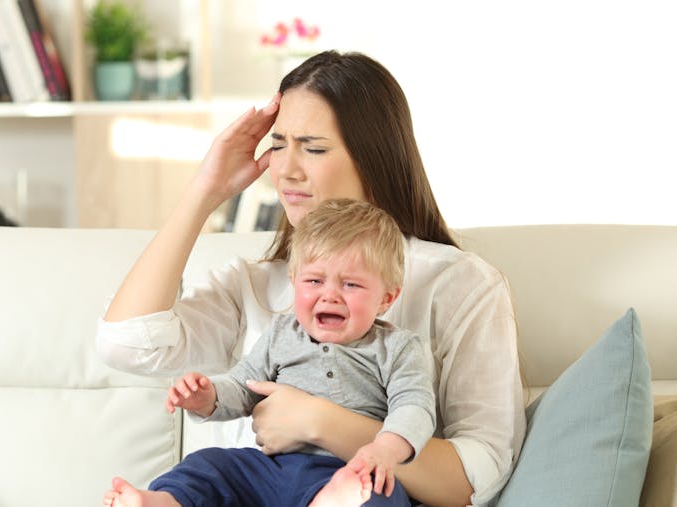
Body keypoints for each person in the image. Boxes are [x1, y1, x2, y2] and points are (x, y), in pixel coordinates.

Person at [97, 50, 526, 506]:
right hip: (257, 487)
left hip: (357, 486)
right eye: (278, 144)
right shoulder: (255, 285)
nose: (286, 169)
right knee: (200, 475)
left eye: (314, 148)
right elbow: (126, 344)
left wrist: (322, 422)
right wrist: (205, 191)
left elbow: (479, 474)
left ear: (373, 158)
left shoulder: (458, 284)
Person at [102, 199, 435, 507]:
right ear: (294, 281)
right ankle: (163, 502)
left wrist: (384, 450)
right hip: (268, 468)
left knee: (382, 493)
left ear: (387, 298)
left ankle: (334, 499)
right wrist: (208, 396)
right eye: (315, 281)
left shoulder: (397, 347)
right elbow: (244, 385)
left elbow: (414, 408)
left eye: (351, 285)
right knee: (209, 465)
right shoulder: (280, 334)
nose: (330, 295)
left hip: (346, 468)